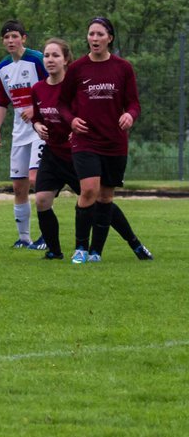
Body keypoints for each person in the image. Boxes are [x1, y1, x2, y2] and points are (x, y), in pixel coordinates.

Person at [30, 37, 151, 262]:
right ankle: (54, 251)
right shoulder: (38, 89)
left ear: (66, 60)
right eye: (46, 55)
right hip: (54, 155)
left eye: (55, 55)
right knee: (41, 200)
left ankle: (133, 242)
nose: (50, 60)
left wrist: (73, 124)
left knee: (99, 199)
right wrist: (37, 125)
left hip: (78, 153)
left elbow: (84, 110)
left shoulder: (76, 83)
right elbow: (37, 117)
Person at [57, 17, 143, 265]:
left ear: (110, 38)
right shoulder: (77, 68)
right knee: (89, 190)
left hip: (115, 143)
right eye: (91, 34)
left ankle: (96, 251)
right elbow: (62, 103)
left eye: (99, 35)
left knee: (106, 197)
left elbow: (134, 103)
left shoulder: (123, 68)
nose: (94, 39)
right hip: (86, 141)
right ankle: (80, 248)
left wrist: (130, 114)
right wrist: (71, 121)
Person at [0, 20, 48, 250]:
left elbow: (53, 86)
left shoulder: (37, 59)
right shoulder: (2, 68)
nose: (10, 41)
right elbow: (2, 101)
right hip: (19, 132)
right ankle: (24, 238)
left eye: (15, 36)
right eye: (6, 37)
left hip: (41, 129)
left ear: (24, 38)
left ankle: (47, 236)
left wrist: (36, 109)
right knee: (19, 186)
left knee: (36, 179)